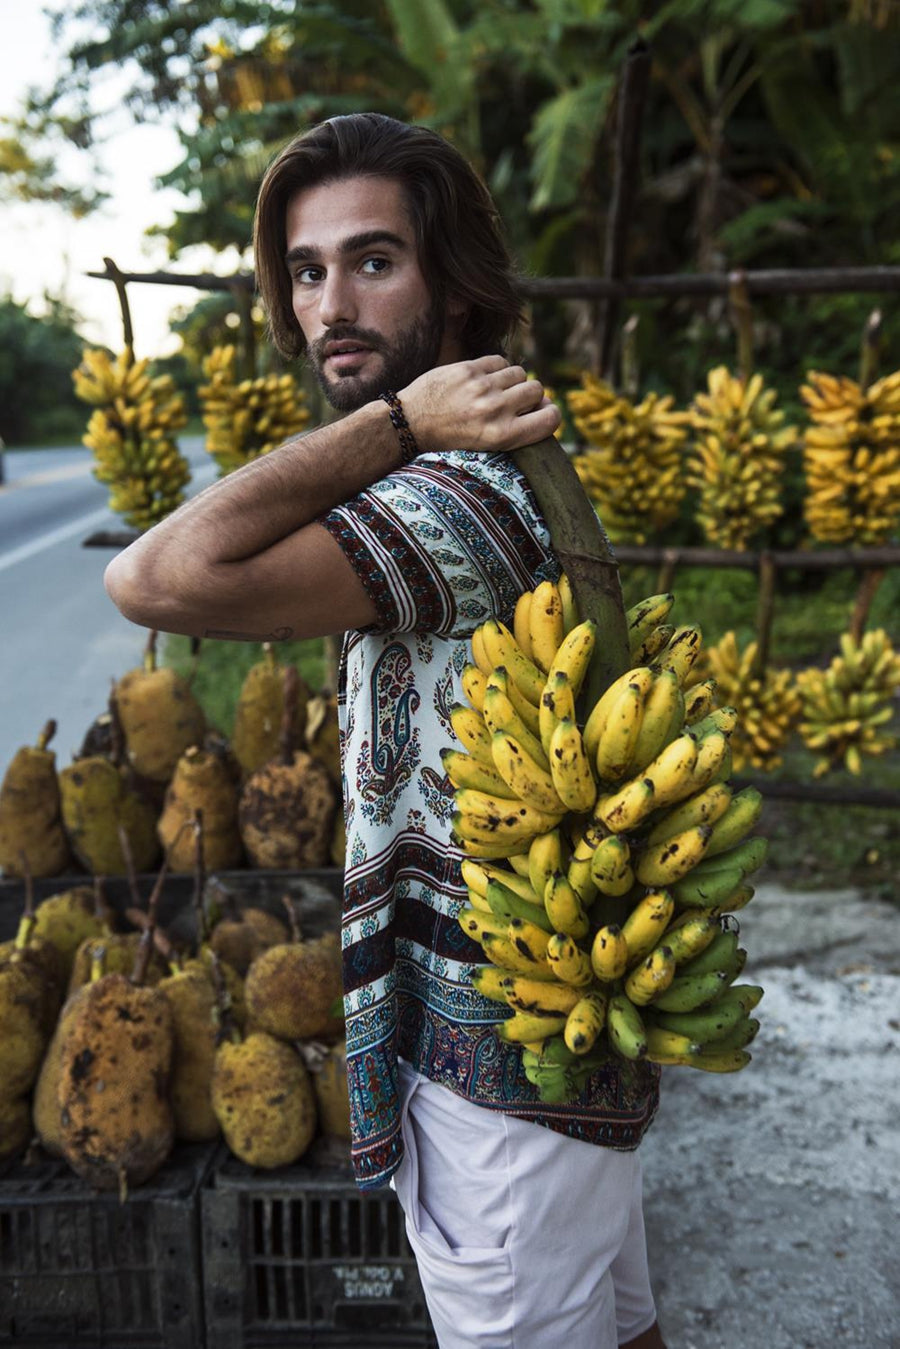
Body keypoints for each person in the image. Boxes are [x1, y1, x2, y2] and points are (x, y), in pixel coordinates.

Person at [104, 112, 666, 1349]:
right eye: (306, 272)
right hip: (545, 1052)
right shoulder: (466, 481)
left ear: (453, 282)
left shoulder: (446, 501)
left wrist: (398, 423)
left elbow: (153, 576)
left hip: (504, 1074)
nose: (330, 306)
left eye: (374, 261)